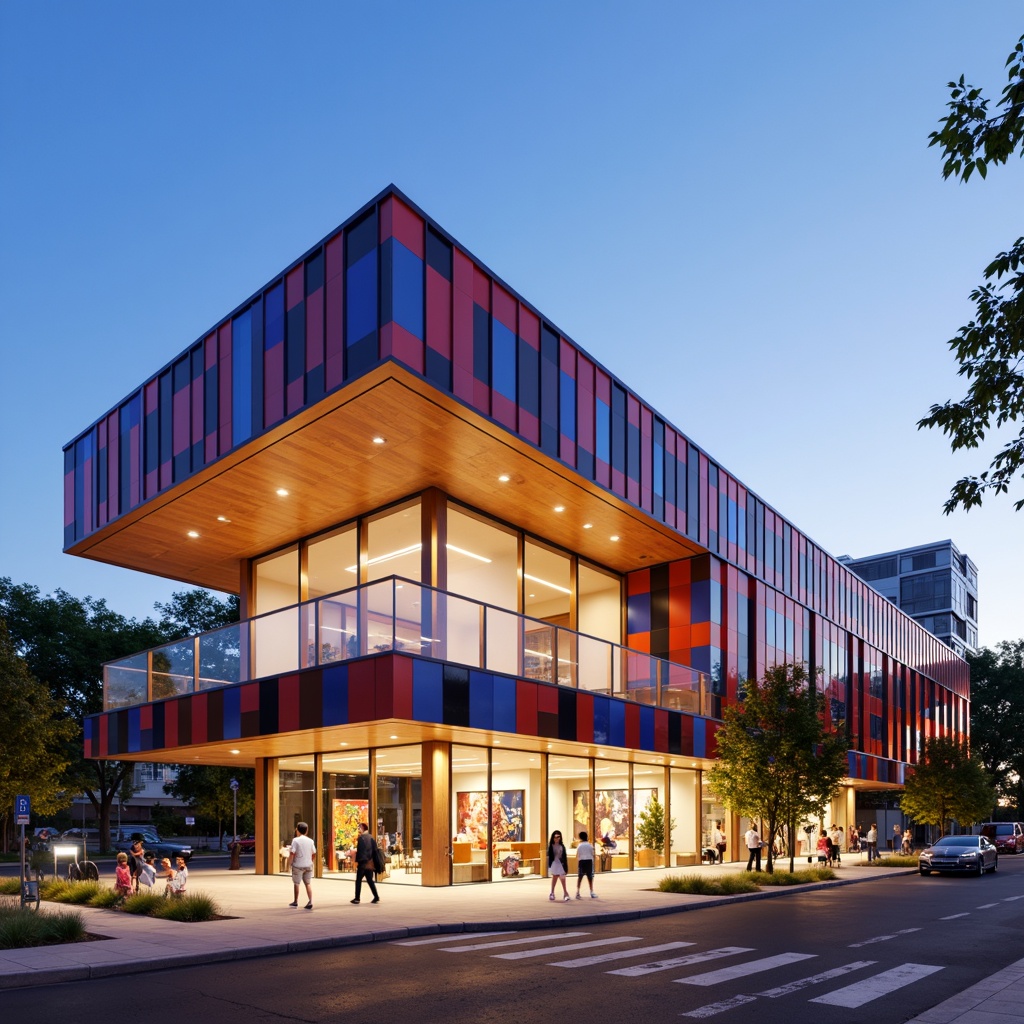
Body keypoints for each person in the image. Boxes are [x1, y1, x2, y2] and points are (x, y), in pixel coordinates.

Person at [287, 821, 316, 910]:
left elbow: (292, 853)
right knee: (308, 883)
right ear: (306, 831)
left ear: (297, 830)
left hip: (298, 865)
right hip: (308, 865)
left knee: (297, 883)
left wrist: (289, 864)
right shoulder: (310, 841)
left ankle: (296, 901)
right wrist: (310, 861)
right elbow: (314, 853)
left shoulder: (295, 840)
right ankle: (310, 901)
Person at [351, 822, 380, 904]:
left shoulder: (361, 838)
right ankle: (376, 896)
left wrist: (358, 861)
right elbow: (375, 850)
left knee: (358, 880)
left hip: (363, 863)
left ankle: (357, 898)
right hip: (370, 862)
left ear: (362, 828)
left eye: (359, 828)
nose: (359, 829)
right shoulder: (371, 837)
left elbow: (360, 851)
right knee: (370, 880)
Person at [547, 829, 570, 901]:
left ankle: (565, 893)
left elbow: (564, 857)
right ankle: (552, 893)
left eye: (558, 837)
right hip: (554, 863)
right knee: (555, 877)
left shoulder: (562, 846)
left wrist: (566, 867)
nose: (556, 838)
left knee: (563, 878)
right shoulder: (551, 846)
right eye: (555, 837)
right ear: (553, 838)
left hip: (561, 863)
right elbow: (550, 857)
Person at [574, 830, 597, 899]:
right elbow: (593, 854)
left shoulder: (579, 846)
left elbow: (577, 855)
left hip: (581, 861)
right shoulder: (590, 845)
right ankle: (591, 892)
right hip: (589, 861)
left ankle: (577, 892)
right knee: (590, 877)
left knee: (580, 877)